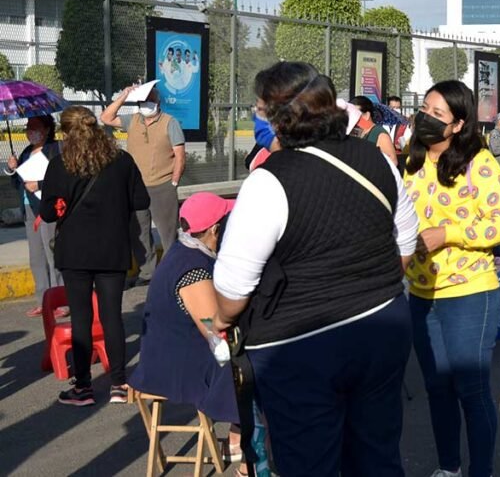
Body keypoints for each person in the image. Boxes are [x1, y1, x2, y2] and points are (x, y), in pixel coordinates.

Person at [212, 62, 418, 476]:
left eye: (259, 107)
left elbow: (233, 293)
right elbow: (405, 248)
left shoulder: (268, 182)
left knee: (309, 462)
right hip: (382, 328)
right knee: (377, 455)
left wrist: (220, 318)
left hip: (299, 348)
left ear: (279, 116)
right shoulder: (376, 160)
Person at [403, 80, 500, 477]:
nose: (427, 119)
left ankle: (479, 471)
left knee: (471, 391)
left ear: (457, 124)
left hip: (470, 293)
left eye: (438, 114)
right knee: (438, 389)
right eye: (425, 110)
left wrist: (447, 233)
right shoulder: (411, 161)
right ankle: (448, 467)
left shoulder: (478, 161)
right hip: (420, 292)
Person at [40, 107, 150, 406]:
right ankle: (118, 384)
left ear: (65, 132)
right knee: (112, 316)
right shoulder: (122, 160)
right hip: (112, 248)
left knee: (81, 319)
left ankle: (83, 388)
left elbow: (48, 213)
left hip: (74, 251)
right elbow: (141, 199)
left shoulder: (60, 164)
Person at [129, 193, 241, 451]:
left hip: (170, 353)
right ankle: (239, 437)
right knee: (252, 363)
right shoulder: (193, 270)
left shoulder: (183, 250)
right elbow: (216, 334)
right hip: (173, 365)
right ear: (215, 228)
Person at [101, 85, 186, 286]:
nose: (146, 104)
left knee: (168, 233)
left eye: (151, 100)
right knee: (139, 232)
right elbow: (106, 117)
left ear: (158, 102)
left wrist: (173, 182)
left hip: (162, 185)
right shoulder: (133, 121)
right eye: (143, 101)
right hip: (136, 187)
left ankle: (170, 271)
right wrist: (123, 95)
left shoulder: (169, 123)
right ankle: (147, 272)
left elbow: (180, 155)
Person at [5, 115, 63, 317]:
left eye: (35, 127)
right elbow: (19, 184)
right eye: (28, 128)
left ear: (47, 129)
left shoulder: (55, 150)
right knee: (37, 258)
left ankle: (62, 301)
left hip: (48, 208)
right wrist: (13, 169)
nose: (30, 131)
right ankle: (43, 300)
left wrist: (40, 184)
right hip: (29, 209)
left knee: (53, 255)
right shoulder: (26, 152)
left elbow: (62, 179)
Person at [352, 95, 400, 166]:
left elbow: (393, 162)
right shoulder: (356, 132)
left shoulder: (380, 134)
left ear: (367, 115)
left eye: (355, 114)